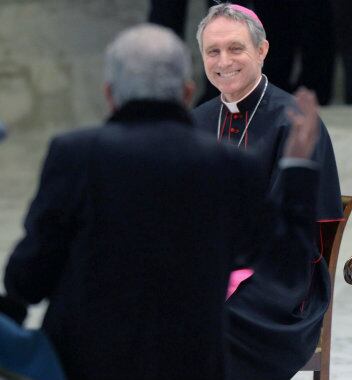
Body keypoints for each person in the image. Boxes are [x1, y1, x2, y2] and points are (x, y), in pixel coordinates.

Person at [3, 23, 324, 380]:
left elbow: (27, 277)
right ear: (187, 93)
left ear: (109, 94)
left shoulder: (75, 154)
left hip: (86, 362)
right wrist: (297, 167)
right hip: (190, 363)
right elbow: (287, 265)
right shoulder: (229, 166)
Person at [192, 3, 343, 379]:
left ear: (262, 50)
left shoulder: (295, 121)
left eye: (235, 48)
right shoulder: (195, 122)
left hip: (280, 286)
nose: (223, 60)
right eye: (213, 51)